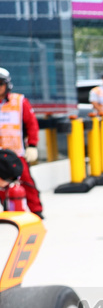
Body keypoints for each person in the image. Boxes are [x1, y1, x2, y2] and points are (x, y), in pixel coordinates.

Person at [0, 67, 44, 217]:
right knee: (1, 185)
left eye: (0, 84)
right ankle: (7, 211)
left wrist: (32, 145)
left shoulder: (19, 101)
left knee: (26, 181)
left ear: (7, 85)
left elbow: (32, 124)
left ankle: (36, 210)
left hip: (16, 152)